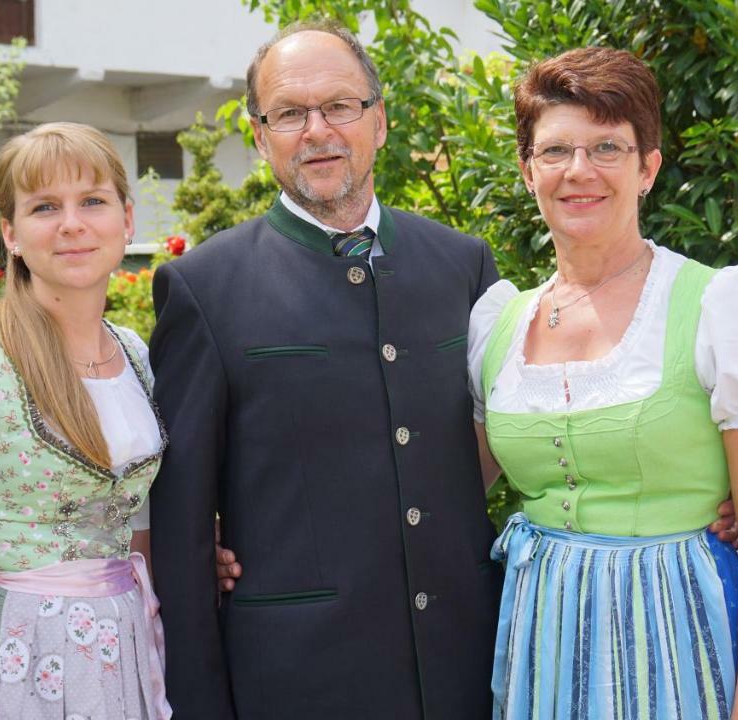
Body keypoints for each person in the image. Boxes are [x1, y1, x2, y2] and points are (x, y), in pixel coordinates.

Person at [147, 21, 503, 719]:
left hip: (466, 665)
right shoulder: (204, 288)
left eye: (339, 105)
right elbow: (184, 532)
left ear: (380, 121)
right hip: (297, 682)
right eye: (288, 113)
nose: (317, 130)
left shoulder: (465, 265)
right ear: (259, 136)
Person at [468, 47, 738, 718]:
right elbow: (445, 497)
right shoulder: (498, 323)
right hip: (544, 641)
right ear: (527, 170)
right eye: (556, 151)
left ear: (648, 168)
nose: (579, 172)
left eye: (607, 149)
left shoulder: (719, 306)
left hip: (684, 636)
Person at [0, 122, 170, 719]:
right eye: (45, 206)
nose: (71, 223)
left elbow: (139, 537)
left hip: (123, 656)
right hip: (14, 661)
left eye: (91, 201)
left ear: (126, 220)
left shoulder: (137, 356)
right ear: (11, 233)